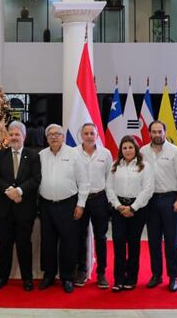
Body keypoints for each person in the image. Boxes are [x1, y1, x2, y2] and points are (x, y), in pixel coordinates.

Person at [38, 123, 89, 293]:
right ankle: (49, 275)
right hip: (46, 205)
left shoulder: (74, 155)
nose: (54, 137)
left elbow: (84, 182)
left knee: (69, 242)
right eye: (50, 134)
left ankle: (67, 277)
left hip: (68, 204)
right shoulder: (41, 155)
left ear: (63, 137)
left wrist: (80, 204)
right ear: (46, 138)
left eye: (57, 134)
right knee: (48, 242)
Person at [0, 120, 41, 292]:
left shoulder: (33, 156)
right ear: (7, 137)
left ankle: (27, 279)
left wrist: (19, 191)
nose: (14, 137)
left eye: (17, 134)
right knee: (4, 245)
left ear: (24, 136)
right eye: (11, 134)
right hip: (4, 209)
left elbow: (36, 179)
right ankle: (1, 277)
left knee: (24, 244)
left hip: (24, 208)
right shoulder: (0, 154)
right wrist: (9, 190)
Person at [140, 120, 177, 292]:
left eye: (160, 131)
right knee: (153, 241)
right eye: (154, 131)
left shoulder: (176, 152)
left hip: (170, 199)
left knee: (171, 241)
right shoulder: (143, 151)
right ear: (149, 133)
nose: (157, 134)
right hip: (150, 201)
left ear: (165, 132)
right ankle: (156, 275)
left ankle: (173, 277)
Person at [106, 135, 153, 292]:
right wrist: (119, 206)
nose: (127, 150)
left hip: (137, 210)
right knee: (118, 244)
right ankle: (118, 279)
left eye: (130, 147)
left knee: (133, 244)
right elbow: (109, 188)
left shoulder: (145, 166)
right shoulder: (115, 166)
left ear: (136, 149)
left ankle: (131, 278)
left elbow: (148, 190)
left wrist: (132, 208)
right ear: (121, 150)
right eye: (124, 147)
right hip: (118, 208)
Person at [75, 122, 112, 289]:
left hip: (99, 199)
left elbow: (110, 178)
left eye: (92, 133)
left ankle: (101, 272)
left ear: (97, 135)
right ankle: (82, 271)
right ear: (81, 135)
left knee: (101, 238)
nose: (89, 136)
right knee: (80, 236)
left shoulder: (106, 153)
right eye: (86, 133)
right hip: (80, 200)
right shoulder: (74, 153)